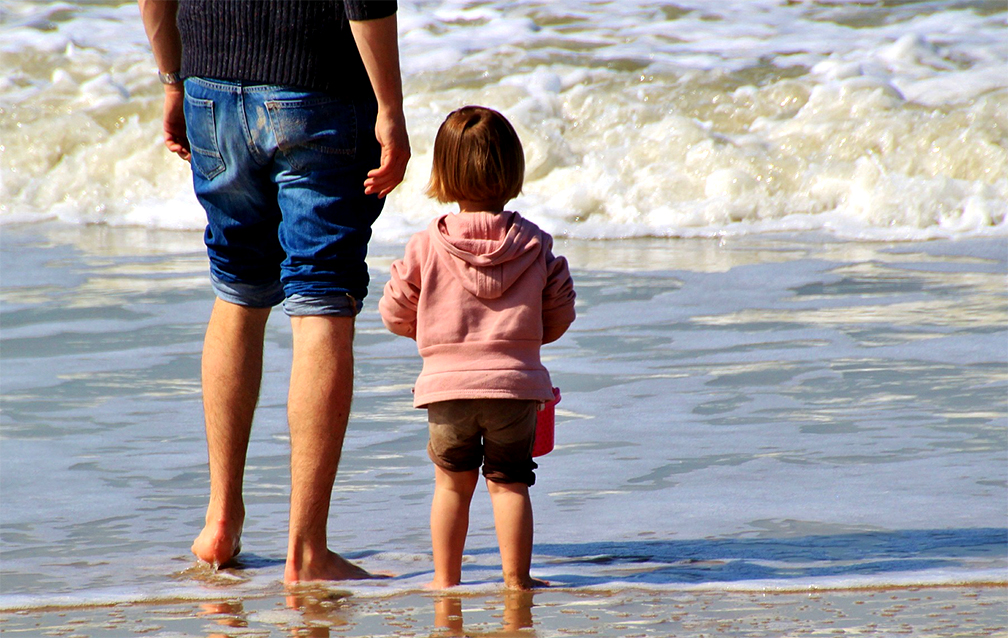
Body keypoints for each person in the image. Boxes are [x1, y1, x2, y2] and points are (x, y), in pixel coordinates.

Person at [137, 0, 410, 583]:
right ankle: (307, 550)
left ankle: (219, 522)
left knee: (237, 288)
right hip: (317, 88)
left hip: (209, 85)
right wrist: (390, 107)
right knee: (321, 301)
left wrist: (172, 80)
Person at [379, 106, 576, 590]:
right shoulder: (534, 243)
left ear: (442, 173)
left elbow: (394, 310)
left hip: (445, 389)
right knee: (509, 484)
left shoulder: (427, 244)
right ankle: (517, 581)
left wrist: (435, 340)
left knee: (451, 484)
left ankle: (445, 581)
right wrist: (525, 344)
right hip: (515, 387)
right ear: (513, 169)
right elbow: (559, 311)